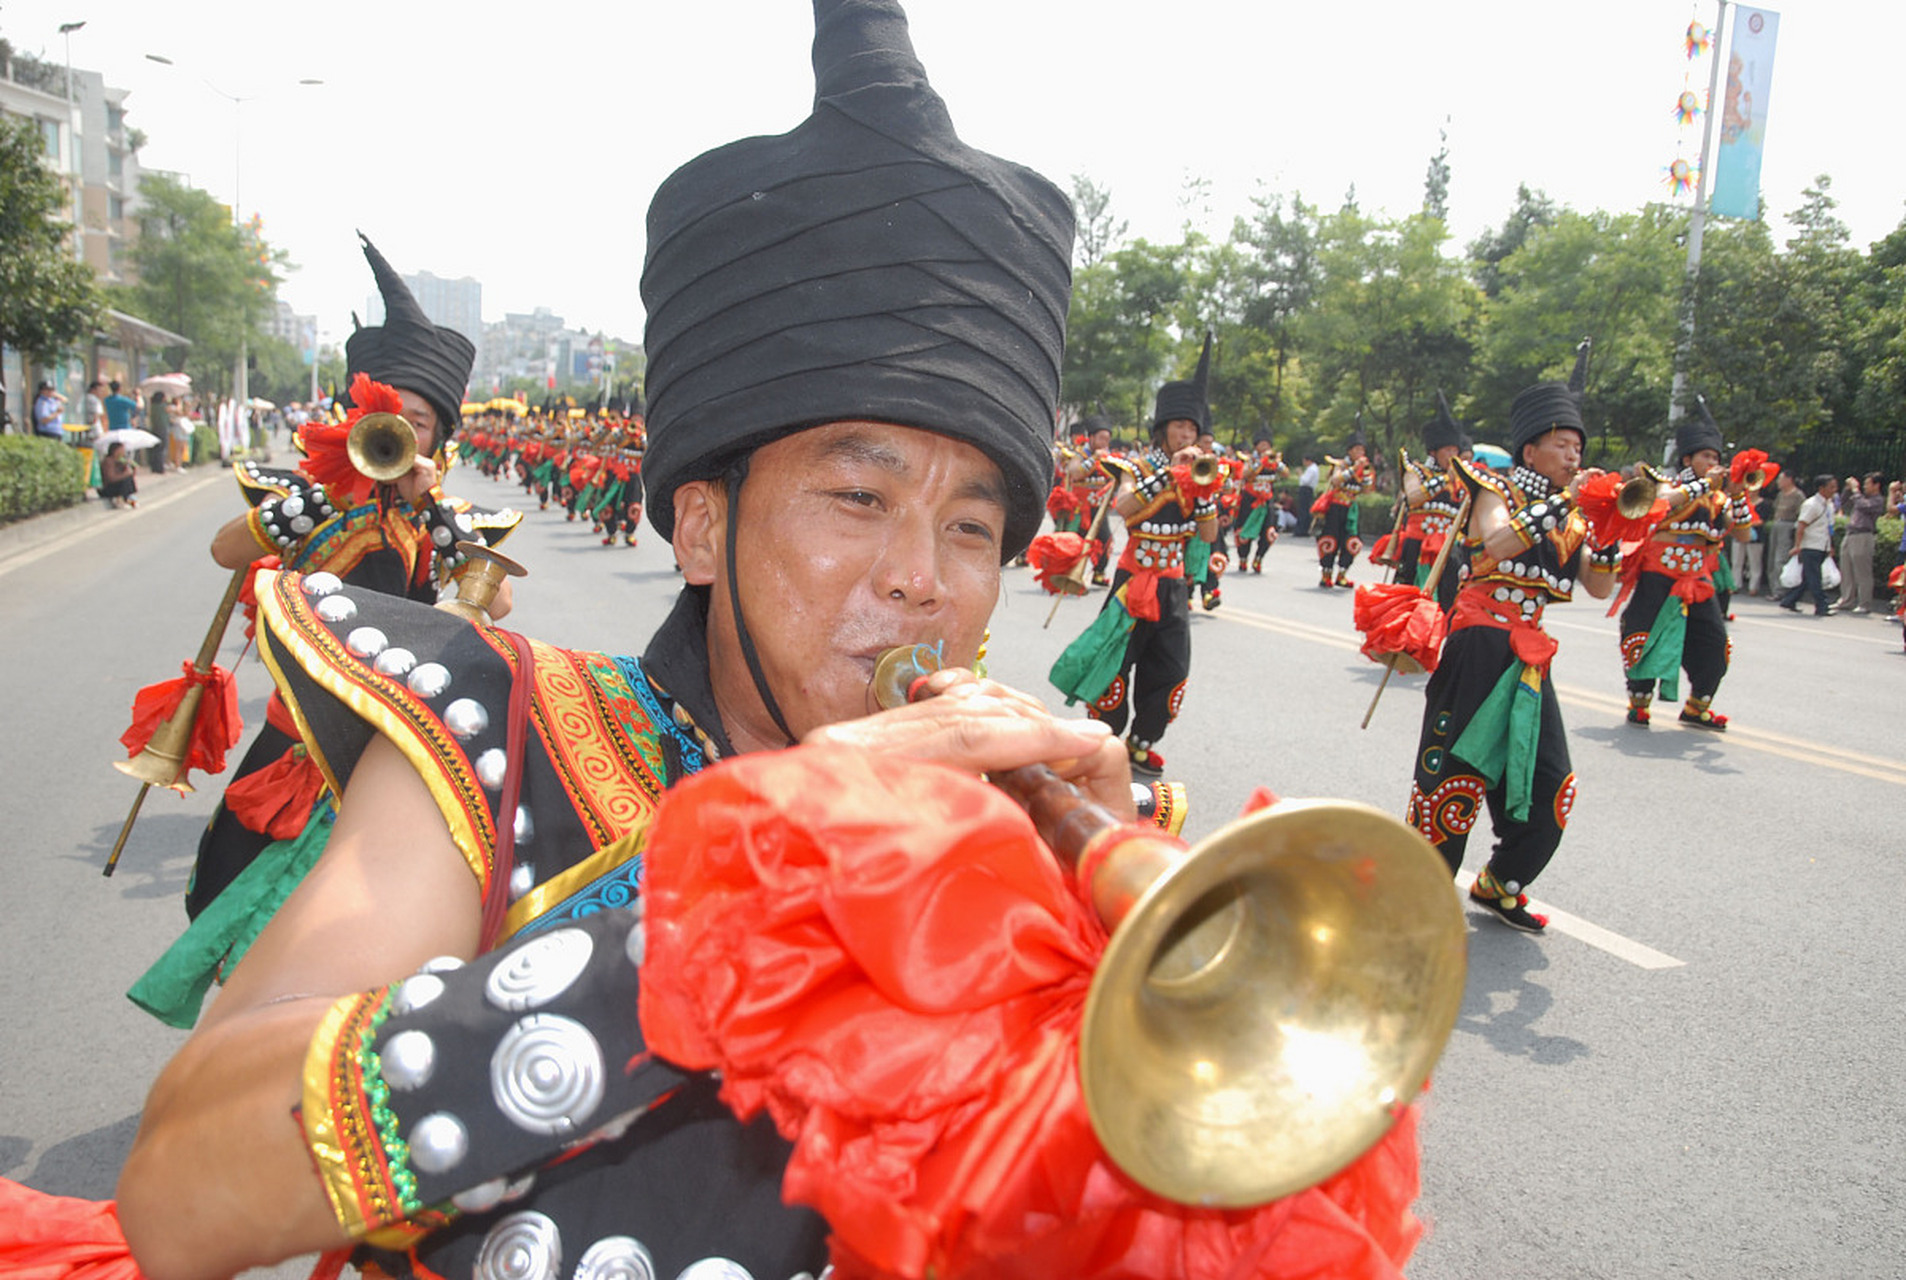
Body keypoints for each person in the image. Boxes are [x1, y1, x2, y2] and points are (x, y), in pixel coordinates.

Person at [104, 9, 1419, 1280]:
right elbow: (176, 1187)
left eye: (971, 530)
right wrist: (752, 896)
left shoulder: (1063, 836)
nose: (919, 582)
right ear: (696, 527)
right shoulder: (501, 735)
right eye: (858, 499)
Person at [125, 237, 524, 1028]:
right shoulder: (315, 493)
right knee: (231, 890)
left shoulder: (431, 517)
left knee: (359, 927)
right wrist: (294, 513)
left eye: (421, 420)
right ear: (363, 416)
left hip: (387, 748)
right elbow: (224, 551)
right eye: (393, 415)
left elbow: (498, 609)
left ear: (437, 435)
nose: (404, 430)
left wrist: (442, 527)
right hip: (299, 734)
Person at [1406, 378, 1619, 932]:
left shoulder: (1572, 517)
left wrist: (1617, 530)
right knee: (1452, 772)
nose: (1575, 457)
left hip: (1529, 656)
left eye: (1579, 448)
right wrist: (1562, 503)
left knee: (1551, 782)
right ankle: (1421, 887)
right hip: (1478, 644)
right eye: (1564, 446)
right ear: (1531, 449)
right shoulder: (1493, 488)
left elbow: (1599, 586)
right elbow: (1496, 543)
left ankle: (1501, 881)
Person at [1053, 336, 1221, 777]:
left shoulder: (1199, 475)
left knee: (1171, 669)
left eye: (1192, 429)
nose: (1187, 437)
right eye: (1179, 427)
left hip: (1173, 585)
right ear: (1162, 428)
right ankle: (1104, 740)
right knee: (1113, 664)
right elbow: (1123, 507)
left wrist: (1202, 493)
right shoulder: (1137, 468)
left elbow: (1208, 532)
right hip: (1131, 583)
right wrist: (1168, 475)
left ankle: (1141, 742)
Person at [1614, 397, 1751, 731]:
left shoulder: (1718, 499)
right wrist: (1704, 484)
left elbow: (1745, 534)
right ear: (1689, 458)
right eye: (1707, 456)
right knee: (1643, 636)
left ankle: (1697, 706)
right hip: (1658, 576)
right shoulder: (1668, 484)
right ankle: (1639, 702)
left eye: (1717, 458)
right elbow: (1659, 505)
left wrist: (1736, 493)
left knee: (1715, 644)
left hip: (1698, 580)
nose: (1713, 462)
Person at [1313, 431, 1373, 588]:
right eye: (1357, 449)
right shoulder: (1341, 465)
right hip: (1335, 508)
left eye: (1362, 450)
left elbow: (1366, 491)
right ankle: (1326, 574)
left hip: (1351, 509)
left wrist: (1365, 476)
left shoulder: (1363, 469)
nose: (1360, 453)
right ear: (1350, 451)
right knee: (1330, 539)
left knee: (1352, 542)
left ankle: (1342, 574)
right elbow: (1336, 480)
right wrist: (1354, 469)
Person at [1779, 474, 1841, 616]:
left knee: (1808, 577)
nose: (1834, 490)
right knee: (1814, 577)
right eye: (1831, 487)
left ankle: (1789, 600)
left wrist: (1830, 546)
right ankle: (1822, 605)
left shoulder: (1829, 505)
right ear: (1821, 488)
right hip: (1810, 545)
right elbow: (1801, 526)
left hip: (1821, 545)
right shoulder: (1811, 504)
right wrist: (1797, 546)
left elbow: (1828, 528)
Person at [1833, 472, 1886, 614]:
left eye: (1868, 483)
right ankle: (1846, 599)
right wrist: (1848, 488)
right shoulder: (1859, 497)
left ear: (1876, 485)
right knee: (1846, 569)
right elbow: (1843, 502)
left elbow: (1864, 506)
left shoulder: (1878, 500)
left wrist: (1856, 491)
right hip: (1850, 533)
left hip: (1864, 535)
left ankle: (1864, 603)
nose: (1864, 486)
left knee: (1862, 572)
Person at [1232, 436, 1286, 573]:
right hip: (1250, 500)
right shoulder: (1250, 460)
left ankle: (1259, 558)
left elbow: (1286, 474)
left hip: (1267, 500)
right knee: (1244, 529)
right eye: (1262, 444)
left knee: (1269, 531)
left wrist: (1278, 464)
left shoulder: (1273, 461)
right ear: (1256, 446)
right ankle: (1243, 559)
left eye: (1267, 445)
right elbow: (1246, 475)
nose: (1265, 448)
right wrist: (1260, 462)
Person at [1765, 468, 1802, 594]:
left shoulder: (1798, 495)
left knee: (1780, 559)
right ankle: (1773, 587)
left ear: (1789, 480)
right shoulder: (1780, 495)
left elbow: (1800, 515)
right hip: (1777, 524)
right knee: (1772, 557)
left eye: (1781, 479)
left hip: (1788, 526)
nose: (1778, 482)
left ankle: (1780, 590)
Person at [98, 441, 138, 508]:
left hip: (117, 485)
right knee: (126, 479)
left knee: (129, 479)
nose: (123, 452)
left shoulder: (120, 461)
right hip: (108, 488)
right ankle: (121, 500)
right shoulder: (108, 461)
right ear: (115, 451)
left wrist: (132, 468)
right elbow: (111, 478)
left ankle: (130, 499)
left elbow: (130, 475)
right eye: (122, 450)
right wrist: (125, 474)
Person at [1296, 454, 1319, 535]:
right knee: (1305, 509)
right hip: (1308, 490)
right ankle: (1303, 529)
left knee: (1303, 510)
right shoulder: (1314, 468)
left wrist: (1300, 474)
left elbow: (1305, 481)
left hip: (1306, 489)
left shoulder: (1311, 469)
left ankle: (1301, 530)